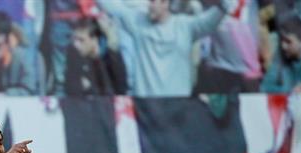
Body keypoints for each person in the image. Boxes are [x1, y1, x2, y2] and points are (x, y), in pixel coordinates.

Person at [96, 0, 228, 97]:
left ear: (165, 3)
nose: (149, 5)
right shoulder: (138, 22)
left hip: (177, 106)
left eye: (153, 2)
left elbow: (210, 21)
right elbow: (113, 7)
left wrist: (225, 5)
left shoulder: (185, 26)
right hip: (146, 107)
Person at [64, 18, 127, 96]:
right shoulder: (73, 55)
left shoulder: (111, 59)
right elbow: (70, 88)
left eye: (81, 40)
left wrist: (90, 87)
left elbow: (120, 89)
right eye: (74, 39)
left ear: (94, 39)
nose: (76, 44)